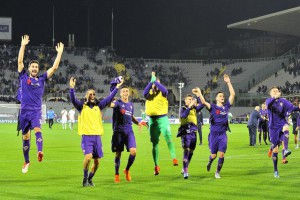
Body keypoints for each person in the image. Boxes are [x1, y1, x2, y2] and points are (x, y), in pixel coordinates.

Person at [18, 35, 64, 173]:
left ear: (38, 69)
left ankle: (40, 152)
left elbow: (54, 68)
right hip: (24, 112)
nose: (34, 68)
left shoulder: (42, 79)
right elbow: (20, 61)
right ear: (29, 67)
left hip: (36, 111)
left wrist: (60, 53)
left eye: (36, 67)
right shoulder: (23, 76)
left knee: (38, 130)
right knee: (25, 137)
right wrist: (23, 46)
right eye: (32, 66)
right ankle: (26, 161)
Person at [69, 76, 123, 187]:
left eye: (94, 94)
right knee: (88, 157)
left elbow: (109, 98)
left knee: (97, 162)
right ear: (86, 96)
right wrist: (72, 88)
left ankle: (90, 178)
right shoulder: (81, 106)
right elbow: (73, 100)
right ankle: (84, 178)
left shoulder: (99, 106)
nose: (92, 95)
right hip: (87, 137)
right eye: (90, 94)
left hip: (97, 137)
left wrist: (117, 88)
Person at [196, 74, 235, 179]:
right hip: (213, 135)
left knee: (221, 154)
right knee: (213, 155)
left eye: (223, 96)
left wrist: (228, 82)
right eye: (220, 96)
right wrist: (199, 93)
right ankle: (210, 161)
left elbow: (232, 94)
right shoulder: (212, 107)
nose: (222, 97)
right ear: (216, 98)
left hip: (222, 134)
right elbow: (203, 102)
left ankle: (217, 172)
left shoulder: (226, 107)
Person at [143, 71, 178, 176]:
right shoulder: (149, 95)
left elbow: (164, 89)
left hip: (163, 119)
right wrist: (151, 81)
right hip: (152, 121)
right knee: (154, 144)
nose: (155, 85)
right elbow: (144, 93)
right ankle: (156, 165)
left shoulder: (163, 93)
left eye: (157, 83)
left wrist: (155, 81)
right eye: (154, 83)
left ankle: (174, 157)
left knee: (168, 137)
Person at [110, 85, 147, 183]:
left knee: (133, 151)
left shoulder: (131, 104)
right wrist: (111, 96)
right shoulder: (117, 103)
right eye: (124, 91)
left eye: (127, 91)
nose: (126, 93)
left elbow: (131, 116)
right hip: (118, 132)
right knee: (118, 153)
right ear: (120, 93)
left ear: (129, 93)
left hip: (129, 132)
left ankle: (126, 170)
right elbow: (110, 105)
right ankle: (117, 174)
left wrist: (138, 122)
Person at [266, 87, 300, 178]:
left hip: (281, 123)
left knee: (286, 127)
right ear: (270, 93)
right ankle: (275, 170)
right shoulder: (269, 100)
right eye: (273, 91)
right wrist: (275, 98)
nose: (276, 92)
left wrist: (298, 108)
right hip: (273, 127)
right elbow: (269, 105)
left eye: (277, 91)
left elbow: (292, 107)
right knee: (275, 149)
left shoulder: (283, 101)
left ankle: (285, 150)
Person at [177, 93, 204, 179]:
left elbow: (203, 104)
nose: (191, 100)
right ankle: (186, 172)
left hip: (193, 133)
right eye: (189, 99)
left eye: (192, 99)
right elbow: (184, 116)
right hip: (185, 133)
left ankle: (185, 167)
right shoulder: (183, 108)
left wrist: (199, 94)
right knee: (186, 151)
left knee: (191, 152)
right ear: (185, 101)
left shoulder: (195, 109)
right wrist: (189, 106)